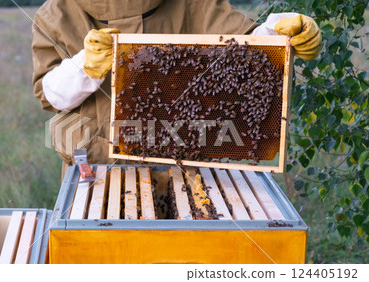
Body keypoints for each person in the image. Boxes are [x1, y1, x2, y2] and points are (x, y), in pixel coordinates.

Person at [31, 0, 322, 177]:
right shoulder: (56, 14)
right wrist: (84, 66)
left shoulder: (192, 4)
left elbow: (246, 47)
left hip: (182, 167)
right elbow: (50, 95)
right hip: (93, 171)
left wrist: (276, 33)